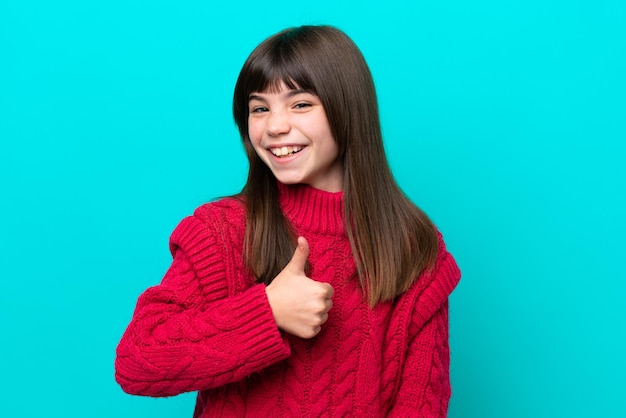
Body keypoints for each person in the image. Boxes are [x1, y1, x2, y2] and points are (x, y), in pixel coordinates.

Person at [115, 25, 461, 417]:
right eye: (260, 108)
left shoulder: (413, 249)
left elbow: (420, 406)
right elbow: (137, 360)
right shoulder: (220, 233)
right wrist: (267, 312)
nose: (275, 126)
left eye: (300, 104)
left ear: (348, 109)